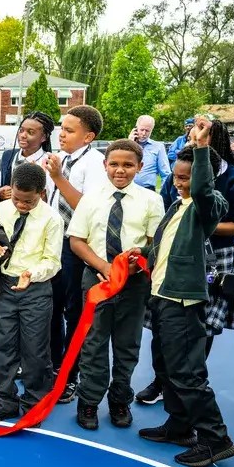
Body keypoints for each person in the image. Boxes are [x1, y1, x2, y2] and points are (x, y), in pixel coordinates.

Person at [138, 122, 234, 467]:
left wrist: (197, 148)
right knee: (165, 366)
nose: (179, 183)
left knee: (187, 372)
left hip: (183, 301)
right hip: (162, 297)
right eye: (177, 177)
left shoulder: (206, 206)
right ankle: (180, 425)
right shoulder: (178, 206)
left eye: (186, 178)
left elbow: (204, 190)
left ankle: (216, 438)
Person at [135, 121, 234, 405]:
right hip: (174, 263)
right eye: (192, 137)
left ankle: (187, 387)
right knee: (163, 327)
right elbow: (173, 213)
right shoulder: (177, 179)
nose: (194, 141)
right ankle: (162, 381)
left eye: (201, 138)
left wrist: (197, 225)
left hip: (214, 261)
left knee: (199, 333)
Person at [67, 139, 164, 430]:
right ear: (105, 165)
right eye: (114, 164)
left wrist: (127, 269)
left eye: (127, 165)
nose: (120, 170)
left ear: (139, 167)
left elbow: (153, 243)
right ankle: (89, 400)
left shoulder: (151, 200)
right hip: (96, 278)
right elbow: (77, 240)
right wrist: (105, 267)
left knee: (127, 343)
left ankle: (119, 398)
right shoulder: (91, 198)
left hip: (133, 283)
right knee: (94, 342)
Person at [0, 163, 63, 421]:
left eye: (28, 201)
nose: (21, 205)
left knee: (35, 350)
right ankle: (4, 401)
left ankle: (35, 403)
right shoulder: (1, 210)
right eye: (17, 199)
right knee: (2, 346)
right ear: (10, 189)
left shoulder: (51, 219)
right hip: (4, 286)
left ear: (42, 193)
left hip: (36, 289)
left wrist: (30, 275)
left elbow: (53, 261)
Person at [45, 105, 108, 404]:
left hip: (75, 245)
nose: (62, 133)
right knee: (52, 306)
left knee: (73, 310)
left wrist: (58, 177)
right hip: (53, 242)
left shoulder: (95, 163)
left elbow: (87, 206)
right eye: (62, 127)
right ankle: (54, 364)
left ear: (88, 137)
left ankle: (70, 375)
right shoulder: (63, 159)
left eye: (70, 130)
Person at [0, 112, 56, 203]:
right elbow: (3, 186)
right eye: (21, 130)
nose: (23, 135)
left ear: (44, 137)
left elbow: (50, 198)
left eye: (30, 132)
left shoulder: (49, 162)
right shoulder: (8, 155)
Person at [130, 115, 171, 191]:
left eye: (147, 131)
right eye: (141, 130)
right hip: (127, 189)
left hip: (148, 190)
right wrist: (130, 143)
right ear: (136, 129)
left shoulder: (158, 147)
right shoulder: (127, 145)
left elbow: (166, 174)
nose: (144, 133)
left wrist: (163, 194)